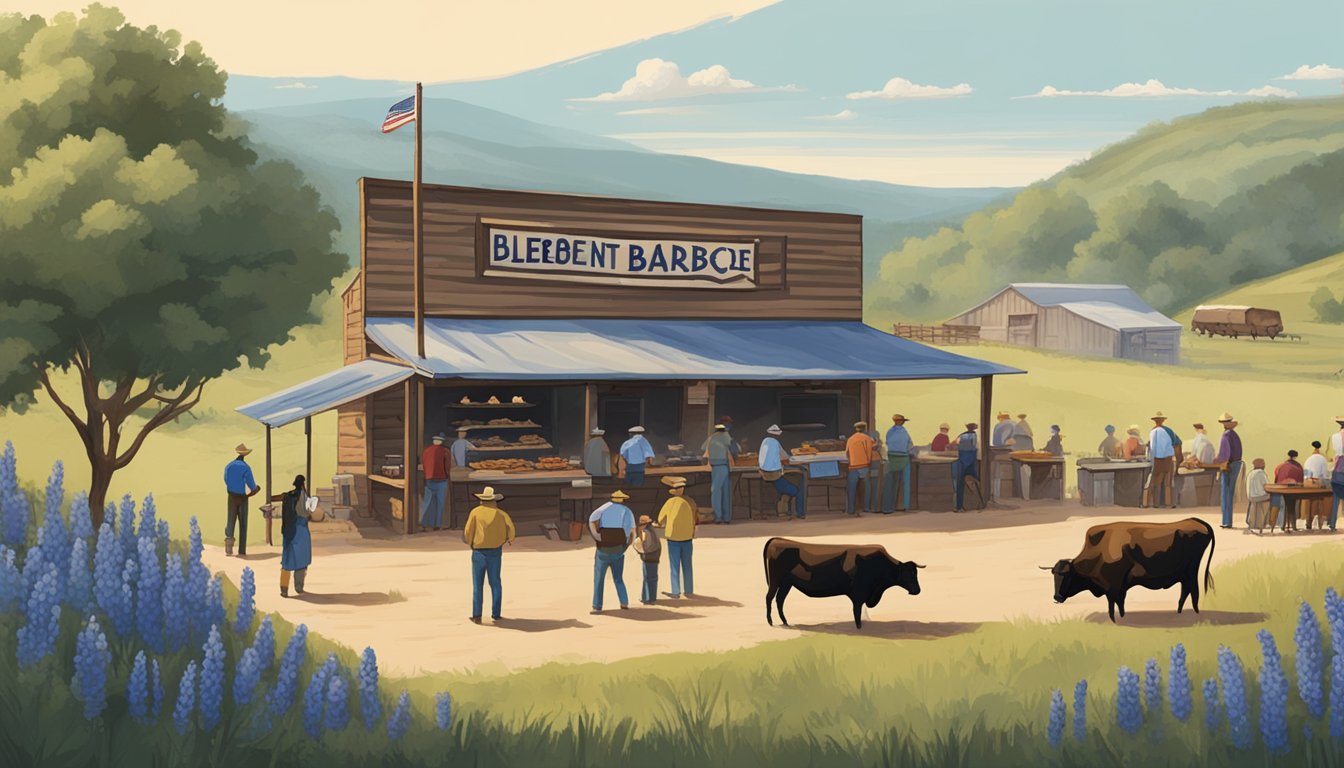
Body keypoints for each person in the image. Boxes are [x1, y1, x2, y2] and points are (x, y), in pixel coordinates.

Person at [462, 486, 515, 623]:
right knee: (495, 583)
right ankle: (496, 614)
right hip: (495, 552)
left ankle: (477, 615)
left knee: (477, 585)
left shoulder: (475, 512)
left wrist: (471, 543)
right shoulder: (501, 514)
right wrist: (507, 539)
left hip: (478, 552)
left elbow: (468, 531)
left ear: (481, 499)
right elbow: (511, 530)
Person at [589, 489, 635, 613]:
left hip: (603, 547)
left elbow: (591, 520)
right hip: (618, 548)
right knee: (618, 578)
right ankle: (624, 602)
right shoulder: (627, 511)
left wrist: (596, 536)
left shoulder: (604, 508)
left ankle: (597, 606)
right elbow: (632, 532)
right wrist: (626, 545)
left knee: (599, 578)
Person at [655, 476, 698, 597]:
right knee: (687, 565)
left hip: (673, 538)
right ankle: (689, 590)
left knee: (674, 566)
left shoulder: (670, 503)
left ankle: (676, 591)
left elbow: (660, 519)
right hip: (688, 537)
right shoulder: (690, 502)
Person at [224, 443, 261, 557]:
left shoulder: (229, 466)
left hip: (231, 496)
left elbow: (226, 479)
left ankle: (228, 548)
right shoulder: (246, 467)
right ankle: (241, 550)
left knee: (230, 521)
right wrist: (256, 489)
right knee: (243, 523)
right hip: (242, 498)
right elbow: (252, 485)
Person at [279, 474, 314, 597]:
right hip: (300, 529)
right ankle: (298, 587)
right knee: (302, 559)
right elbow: (308, 512)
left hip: (288, 530)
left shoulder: (288, 495)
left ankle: (284, 588)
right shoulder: (304, 496)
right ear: (303, 484)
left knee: (287, 560)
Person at [759, 425, 803, 518]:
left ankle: (784, 509)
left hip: (764, 474)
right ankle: (800, 512)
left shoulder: (764, 441)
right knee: (798, 488)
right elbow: (785, 458)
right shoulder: (775, 443)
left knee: (787, 484)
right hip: (775, 475)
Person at [702, 423, 739, 523]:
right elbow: (736, 450)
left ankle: (718, 517)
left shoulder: (711, 438)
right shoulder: (727, 437)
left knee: (716, 492)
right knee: (725, 492)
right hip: (724, 466)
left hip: (716, 467)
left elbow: (703, 448)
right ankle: (726, 518)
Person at [1213, 413, 1244, 529]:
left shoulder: (1225, 436)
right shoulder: (1234, 435)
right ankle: (1228, 521)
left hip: (1228, 465)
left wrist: (1219, 463)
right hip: (1237, 464)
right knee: (1230, 493)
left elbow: (1225, 454)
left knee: (1226, 493)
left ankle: (1226, 521)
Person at [1146, 412, 1178, 509]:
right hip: (1168, 459)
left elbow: (1151, 447)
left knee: (1156, 482)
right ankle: (1170, 503)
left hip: (1156, 460)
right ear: (1163, 420)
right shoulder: (1169, 431)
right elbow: (1176, 443)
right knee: (1168, 481)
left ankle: (1156, 503)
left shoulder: (1152, 432)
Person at [883, 414, 914, 513]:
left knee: (890, 483)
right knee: (904, 483)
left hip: (891, 457)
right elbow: (910, 445)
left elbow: (887, 443)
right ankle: (904, 505)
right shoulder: (904, 432)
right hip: (903, 458)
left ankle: (888, 507)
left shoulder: (890, 431)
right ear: (900, 422)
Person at [419, 433, 450, 531]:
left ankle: (424, 523)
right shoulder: (445, 451)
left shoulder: (426, 451)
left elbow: (423, 464)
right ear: (441, 442)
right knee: (440, 503)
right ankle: (437, 524)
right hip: (442, 479)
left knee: (428, 502)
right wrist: (448, 475)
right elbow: (447, 465)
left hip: (428, 479)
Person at [844, 421, 876, 516]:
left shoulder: (850, 439)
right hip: (864, 465)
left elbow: (847, 453)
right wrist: (868, 462)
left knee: (851, 488)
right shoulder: (867, 439)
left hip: (853, 466)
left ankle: (850, 509)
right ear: (865, 429)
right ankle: (866, 507)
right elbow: (869, 452)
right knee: (867, 487)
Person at [1272, 450, 1305, 532]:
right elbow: (1301, 481)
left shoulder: (1280, 466)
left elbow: (1276, 479)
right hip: (1293, 490)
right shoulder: (1298, 467)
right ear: (1295, 456)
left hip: (1281, 489)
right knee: (1292, 507)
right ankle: (1293, 526)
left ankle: (1282, 525)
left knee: (1283, 507)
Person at [633, 515, 661, 604]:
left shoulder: (646, 532)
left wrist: (640, 551)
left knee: (647, 578)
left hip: (648, 557)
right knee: (653, 578)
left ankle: (646, 598)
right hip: (655, 557)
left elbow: (646, 547)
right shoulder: (653, 530)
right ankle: (652, 597)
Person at [953, 423, 980, 513]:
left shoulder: (961, 435)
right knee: (978, 480)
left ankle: (959, 506)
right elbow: (976, 446)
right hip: (972, 459)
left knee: (960, 484)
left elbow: (954, 444)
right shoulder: (975, 436)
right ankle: (979, 503)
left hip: (961, 459)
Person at [1304, 440, 1330, 530]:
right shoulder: (1323, 460)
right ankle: (1320, 523)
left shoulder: (1308, 459)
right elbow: (1324, 475)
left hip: (1308, 483)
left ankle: (1308, 522)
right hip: (1318, 484)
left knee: (1309, 503)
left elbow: (1305, 474)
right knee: (1320, 503)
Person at [864, 423, 886, 514]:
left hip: (866, 463)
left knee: (868, 486)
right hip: (874, 463)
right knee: (874, 485)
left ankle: (867, 507)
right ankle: (874, 507)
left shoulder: (864, 438)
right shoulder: (874, 440)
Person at [1245, 458, 1271, 532]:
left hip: (1251, 497)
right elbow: (1266, 486)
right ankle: (1266, 522)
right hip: (1260, 496)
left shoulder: (1250, 473)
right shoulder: (1261, 473)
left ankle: (1253, 522)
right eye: (1263, 463)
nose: (1264, 465)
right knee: (1274, 497)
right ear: (1261, 465)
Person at [1331, 416, 1344, 532]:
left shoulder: (1335, 437)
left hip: (1338, 468)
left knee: (1336, 498)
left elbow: (1336, 453)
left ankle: (1332, 524)